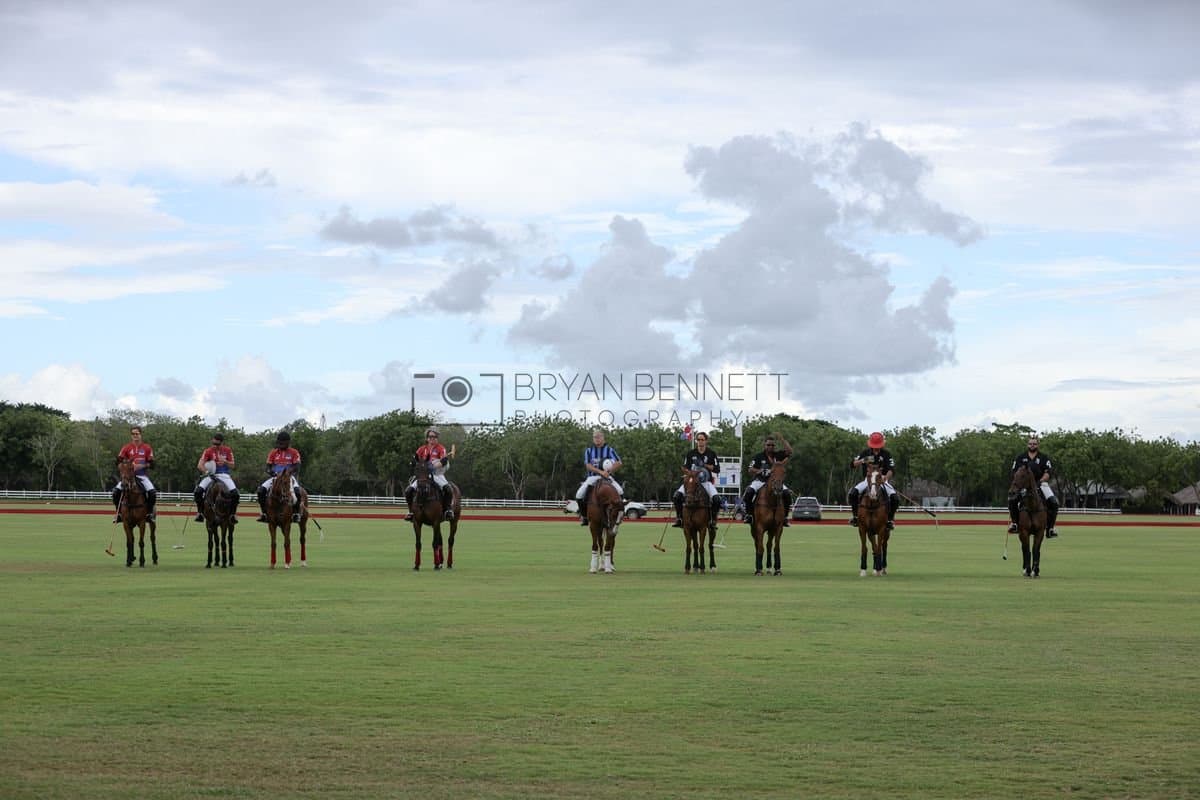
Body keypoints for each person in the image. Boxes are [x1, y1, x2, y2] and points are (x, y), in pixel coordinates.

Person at [1007, 434, 1060, 538]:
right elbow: (1015, 472)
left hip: (1041, 483)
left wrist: (1040, 481)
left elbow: (1048, 473)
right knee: (1012, 500)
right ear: (1027, 444)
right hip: (1024, 485)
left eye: (1034, 444)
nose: (1032, 445)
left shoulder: (1043, 457)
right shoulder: (1020, 457)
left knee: (1054, 503)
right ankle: (1015, 524)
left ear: (1038, 445)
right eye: (1030, 443)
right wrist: (1020, 484)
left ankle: (1050, 528)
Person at [671, 430, 722, 535]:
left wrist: (705, 465)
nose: (700, 442)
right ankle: (679, 518)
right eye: (698, 439)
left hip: (705, 482)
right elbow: (685, 467)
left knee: (717, 499)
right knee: (676, 496)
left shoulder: (711, 454)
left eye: (702, 440)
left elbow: (717, 469)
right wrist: (689, 472)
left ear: (706, 441)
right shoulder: (691, 454)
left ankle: (712, 520)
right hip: (692, 481)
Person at [847, 431, 898, 530]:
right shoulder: (865, 453)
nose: (876, 448)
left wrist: (885, 477)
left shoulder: (887, 454)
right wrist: (863, 460)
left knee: (895, 498)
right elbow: (852, 464)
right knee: (853, 494)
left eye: (878, 446)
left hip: (882, 480)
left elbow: (891, 470)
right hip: (868, 480)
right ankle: (855, 517)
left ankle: (890, 520)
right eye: (875, 446)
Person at [404, 427, 457, 522]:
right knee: (408, 491)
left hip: (436, 474)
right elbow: (414, 460)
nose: (432, 438)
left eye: (434, 436)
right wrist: (414, 464)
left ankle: (448, 510)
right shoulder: (422, 449)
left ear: (437, 438)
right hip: (423, 475)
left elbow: (444, 461)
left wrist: (435, 466)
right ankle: (411, 512)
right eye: (430, 436)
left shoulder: (441, 448)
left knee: (448, 489)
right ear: (427, 438)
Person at [741, 434, 794, 527]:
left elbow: (790, 451)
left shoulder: (778, 455)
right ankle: (749, 515)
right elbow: (750, 469)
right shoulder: (758, 456)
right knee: (749, 492)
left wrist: (782, 439)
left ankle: (784, 517)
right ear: (765, 446)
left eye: (772, 445)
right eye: (768, 445)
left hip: (776, 482)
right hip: (760, 481)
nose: (770, 447)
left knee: (787, 494)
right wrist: (759, 470)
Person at [574, 428, 625, 526]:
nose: (596, 439)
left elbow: (619, 462)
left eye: (598, 437)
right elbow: (588, 465)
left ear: (603, 438)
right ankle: (584, 516)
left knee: (620, 491)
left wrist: (608, 471)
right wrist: (600, 472)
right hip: (593, 477)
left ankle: (620, 514)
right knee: (579, 495)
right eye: (595, 437)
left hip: (607, 477)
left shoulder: (609, 450)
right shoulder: (589, 451)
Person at [256, 430, 303, 523]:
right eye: (279, 442)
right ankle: (264, 513)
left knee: (297, 492)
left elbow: (297, 466)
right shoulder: (273, 452)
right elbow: (268, 467)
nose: (280, 444)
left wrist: (288, 472)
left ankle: (296, 514)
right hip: (276, 477)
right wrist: (272, 473)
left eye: (282, 442)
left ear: (288, 442)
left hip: (288, 477)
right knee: (261, 491)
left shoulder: (294, 452)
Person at [193, 432, 240, 524]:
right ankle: (200, 513)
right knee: (198, 491)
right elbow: (200, 465)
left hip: (224, 475)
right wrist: (207, 472)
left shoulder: (227, 450)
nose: (215, 446)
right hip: (211, 475)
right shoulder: (208, 451)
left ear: (222, 443)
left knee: (235, 494)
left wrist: (225, 461)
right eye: (214, 443)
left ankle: (233, 514)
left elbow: (233, 465)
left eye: (217, 444)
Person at [112, 425, 156, 522]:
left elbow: (152, 464)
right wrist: (122, 468)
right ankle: (118, 514)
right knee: (116, 492)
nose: (135, 435)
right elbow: (118, 461)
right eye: (133, 434)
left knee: (152, 493)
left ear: (140, 435)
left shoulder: (147, 448)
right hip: (128, 477)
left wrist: (142, 466)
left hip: (142, 476)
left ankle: (149, 514)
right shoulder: (126, 447)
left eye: (137, 433)